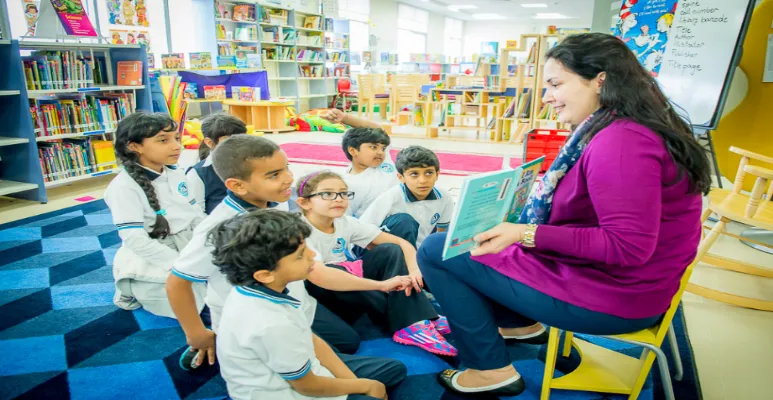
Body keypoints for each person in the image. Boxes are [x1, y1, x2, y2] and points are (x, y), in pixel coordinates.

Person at [417, 32, 711, 396]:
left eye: (556, 84)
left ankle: (488, 369)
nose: (546, 97)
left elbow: (627, 246)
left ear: (600, 80)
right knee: (491, 240)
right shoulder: (628, 126)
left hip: (615, 298)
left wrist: (524, 233)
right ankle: (519, 324)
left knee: (436, 250)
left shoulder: (621, 142)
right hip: (634, 286)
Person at [167, 135, 409, 370]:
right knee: (332, 354)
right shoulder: (219, 227)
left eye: (286, 169)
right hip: (255, 315)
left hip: (294, 299)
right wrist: (196, 333)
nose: (287, 180)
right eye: (274, 175)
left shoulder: (274, 201)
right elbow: (177, 281)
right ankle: (225, 340)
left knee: (347, 340)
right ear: (237, 185)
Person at [212, 210, 407, 400]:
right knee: (376, 387)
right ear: (265, 274)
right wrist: (366, 386)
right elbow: (308, 386)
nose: (312, 255)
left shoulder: (264, 290)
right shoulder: (270, 323)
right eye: (299, 255)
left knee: (394, 371)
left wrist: (355, 382)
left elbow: (311, 338)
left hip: (306, 370)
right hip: (293, 391)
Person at [296, 171, 456, 356]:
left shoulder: (344, 222)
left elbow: (402, 244)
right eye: (327, 194)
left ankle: (417, 320)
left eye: (343, 193)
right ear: (304, 202)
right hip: (324, 289)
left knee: (390, 249)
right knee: (336, 271)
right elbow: (320, 276)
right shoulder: (300, 231)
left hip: (348, 275)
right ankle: (414, 320)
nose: (338, 199)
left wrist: (414, 271)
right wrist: (381, 285)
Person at [104, 112, 207, 317]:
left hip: (186, 242)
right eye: (163, 140)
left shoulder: (176, 173)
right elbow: (135, 239)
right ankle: (132, 285)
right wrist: (179, 265)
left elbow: (195, 215)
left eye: (176, 138)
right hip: (157, 252)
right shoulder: (124, 187)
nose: (176, 146)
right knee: (196, 305)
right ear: (134, 146)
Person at [360, 146, 454, 249]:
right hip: (375, 249)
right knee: (405, 221)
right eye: (414, 174)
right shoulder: (391, 197)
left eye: (428, 173)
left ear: (437, 174)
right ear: (401, 177)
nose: (422, 180)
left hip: (416, 250)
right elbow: (363, 232)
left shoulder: (444, 197)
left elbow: (441, 232)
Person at [186, 112, 247, 214]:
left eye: (241, 138)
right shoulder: (198, 174)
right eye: (229, 140)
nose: (238, 145)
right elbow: (197, 214)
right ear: (209, 142)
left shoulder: (252, 164)